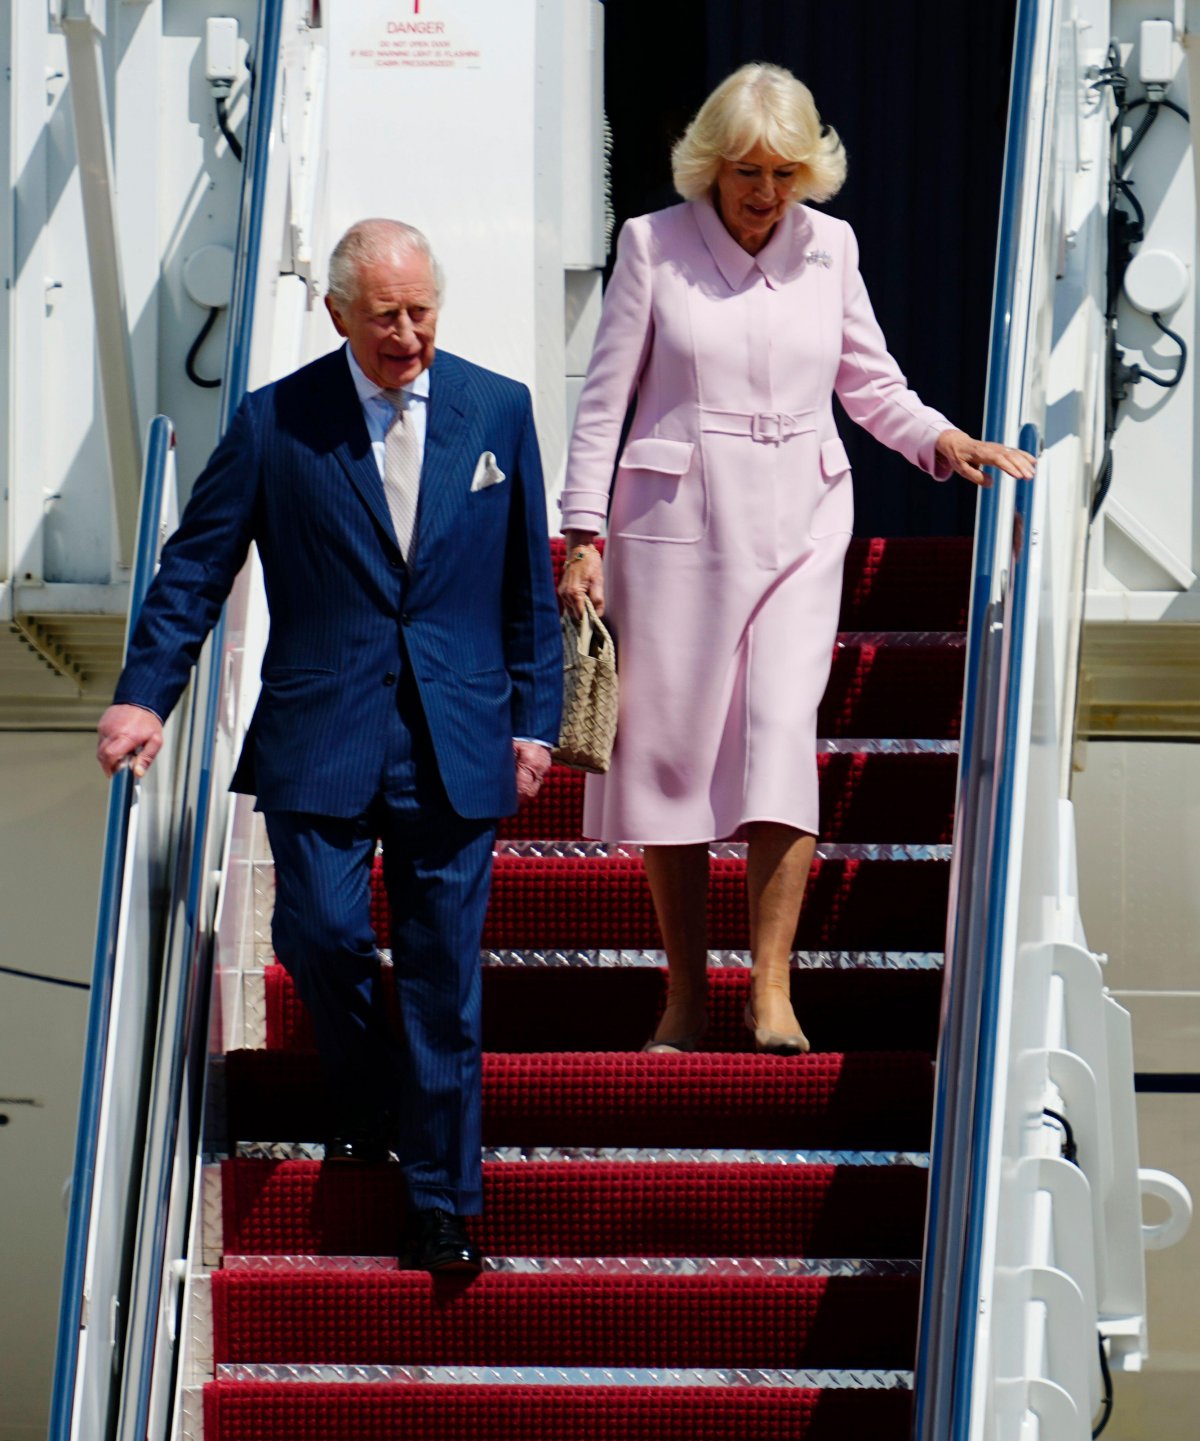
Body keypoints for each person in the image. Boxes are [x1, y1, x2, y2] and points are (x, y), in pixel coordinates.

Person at [96, 219, 561, 1272]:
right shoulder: (275, 423)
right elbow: (195, 570)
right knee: (319, 934)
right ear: (338, 312)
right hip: (322, 732)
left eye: (422, 311)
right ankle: (371, 1095)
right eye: (386, 315)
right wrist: (145, 697)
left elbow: (526, 587)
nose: (409, 334)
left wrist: (535, 723)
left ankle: (442, 1203)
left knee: (444, 973)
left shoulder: (498, 408)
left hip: (458, 731)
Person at [558, 63, 1033, 1055]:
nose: (764, 192)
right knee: (677, 752)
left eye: (782, 171)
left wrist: (943, 440)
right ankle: (687, 994)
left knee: (779, 731)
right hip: (677, 524)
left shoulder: (833, 247)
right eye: (744, 171)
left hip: (803, 521)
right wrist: (582, 536)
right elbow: (602, 402)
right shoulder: (651, 244)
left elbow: (871, 382)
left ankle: (771, 988)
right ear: (710, 167)